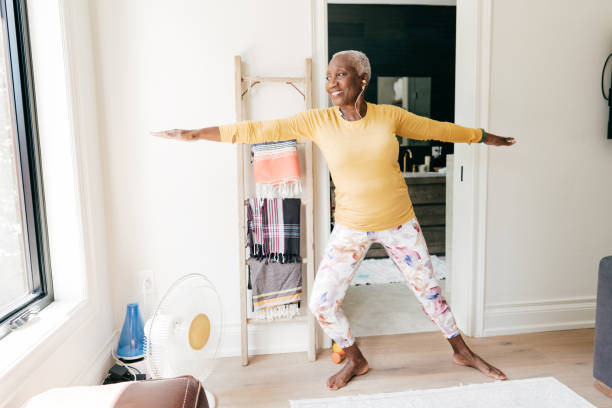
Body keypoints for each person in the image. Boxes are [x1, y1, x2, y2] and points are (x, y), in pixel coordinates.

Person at [152, 50, 515, 391]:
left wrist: (483, 137)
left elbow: (439, 129)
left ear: (363, 78)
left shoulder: (390, 116)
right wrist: (197, 134)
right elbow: (260, 130)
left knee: (430, 293)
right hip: (350, 227)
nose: (331, 84)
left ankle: (461, 351)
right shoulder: (318, 121)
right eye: (328, 78)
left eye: (340, 75)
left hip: (399, 222)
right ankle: (355, 359)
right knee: (321, 303)